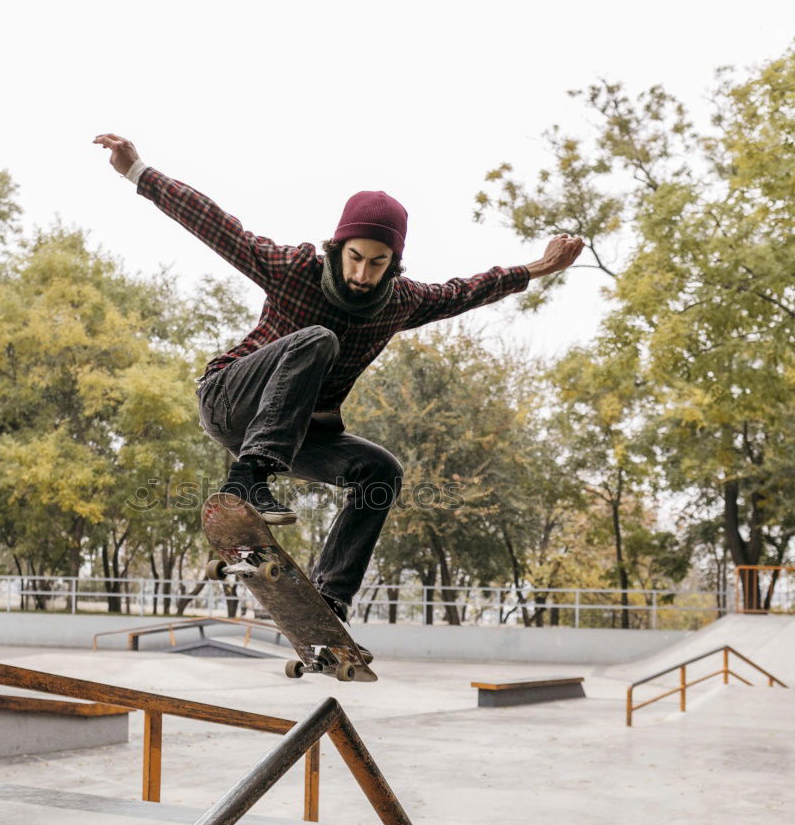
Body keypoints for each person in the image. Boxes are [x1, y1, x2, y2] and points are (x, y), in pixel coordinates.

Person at [93, 133, 583, 629]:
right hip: (229, 400)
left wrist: (538, 267)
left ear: (393, 264)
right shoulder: (293, 268)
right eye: (355, 256)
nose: (363, 273)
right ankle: (246, 483)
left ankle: (329, 601)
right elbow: (218, 227)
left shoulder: (400, 303)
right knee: (319, 339)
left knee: (381, 472)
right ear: (338, 246)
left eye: (377, 262)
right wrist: (138, 172)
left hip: (295, 433)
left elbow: (467, 290)